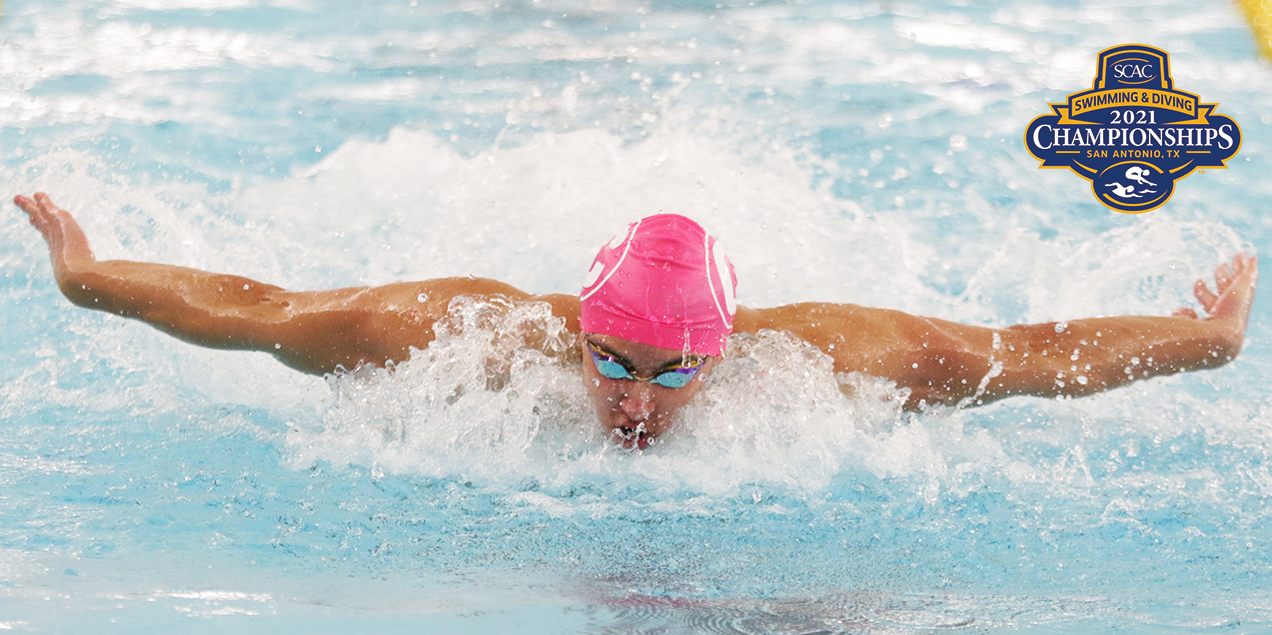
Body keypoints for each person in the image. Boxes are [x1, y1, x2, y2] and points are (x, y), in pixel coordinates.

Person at [15, 192, 1258, 450]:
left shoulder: (831, 356)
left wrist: (1201, 338)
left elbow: (1027, 358)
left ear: (728, 345)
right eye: (613, 359)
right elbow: (265, 311)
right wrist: (86, 276)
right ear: (573, 327)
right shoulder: (463, 339)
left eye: (675, 373)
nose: (636, 399)